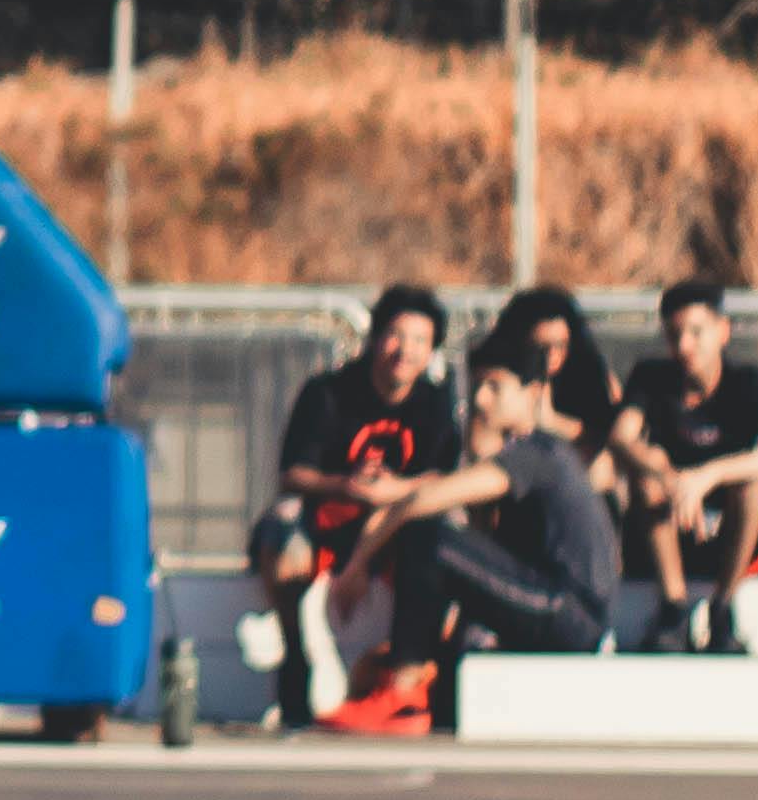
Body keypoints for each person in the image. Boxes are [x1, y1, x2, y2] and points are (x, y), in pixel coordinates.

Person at [320, 351, 618, 727]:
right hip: (549, 601)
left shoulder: (538, 451)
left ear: (534, 393)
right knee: (455, 611)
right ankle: (409, 688)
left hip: (572, 613)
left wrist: (357, 563)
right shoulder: (519, 452)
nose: (480, 399)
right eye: (477, 387)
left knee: (428, 535)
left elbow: (425, 499)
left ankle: (403, 690)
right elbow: (481, 551)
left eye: (495, 388)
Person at [246, 283, 457, 728]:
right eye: (397, 336)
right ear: (375, 337)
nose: (406, 351)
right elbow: (293, 473)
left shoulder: (435, 404)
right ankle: (295, 658)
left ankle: (414, 677)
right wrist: (347, 484)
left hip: (396, 528)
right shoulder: (328, 392)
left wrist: (391, 493)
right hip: (329, 516)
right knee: (281, 534)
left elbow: (443, 478)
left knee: (444, 536)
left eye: (420, 341)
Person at [613, 278, 758, 648]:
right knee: (646, 479)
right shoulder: (651, 377)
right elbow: (621, 438)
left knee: (755, 486)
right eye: (675, 334)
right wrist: (669, 476)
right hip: (672, 528)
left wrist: (708, 476)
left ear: (722, 331)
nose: (684, 345)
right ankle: (674, 608)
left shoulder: (751, 382)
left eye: (696, 332)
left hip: (732, 536)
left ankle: (723, 608)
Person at [480, 281, 622, 471]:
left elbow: (602, 434)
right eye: (540, 347)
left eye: (560, 346)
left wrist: (552, 421)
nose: (550, 357)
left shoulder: (587, 373)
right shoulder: (497, 376)